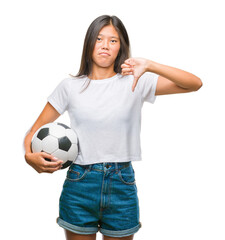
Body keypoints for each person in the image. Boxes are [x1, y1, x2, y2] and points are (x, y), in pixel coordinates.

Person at [24, 15, 202, 240]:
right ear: (89, 43)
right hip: (80, 183)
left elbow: (194, 84)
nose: (105, 45)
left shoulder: (135, 81)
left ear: (121, 47)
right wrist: (28, 156)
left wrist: (149, 65)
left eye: (113, 40)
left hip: (122, 182)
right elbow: (34, 131)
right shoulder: (69, 87)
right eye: (99, 39)